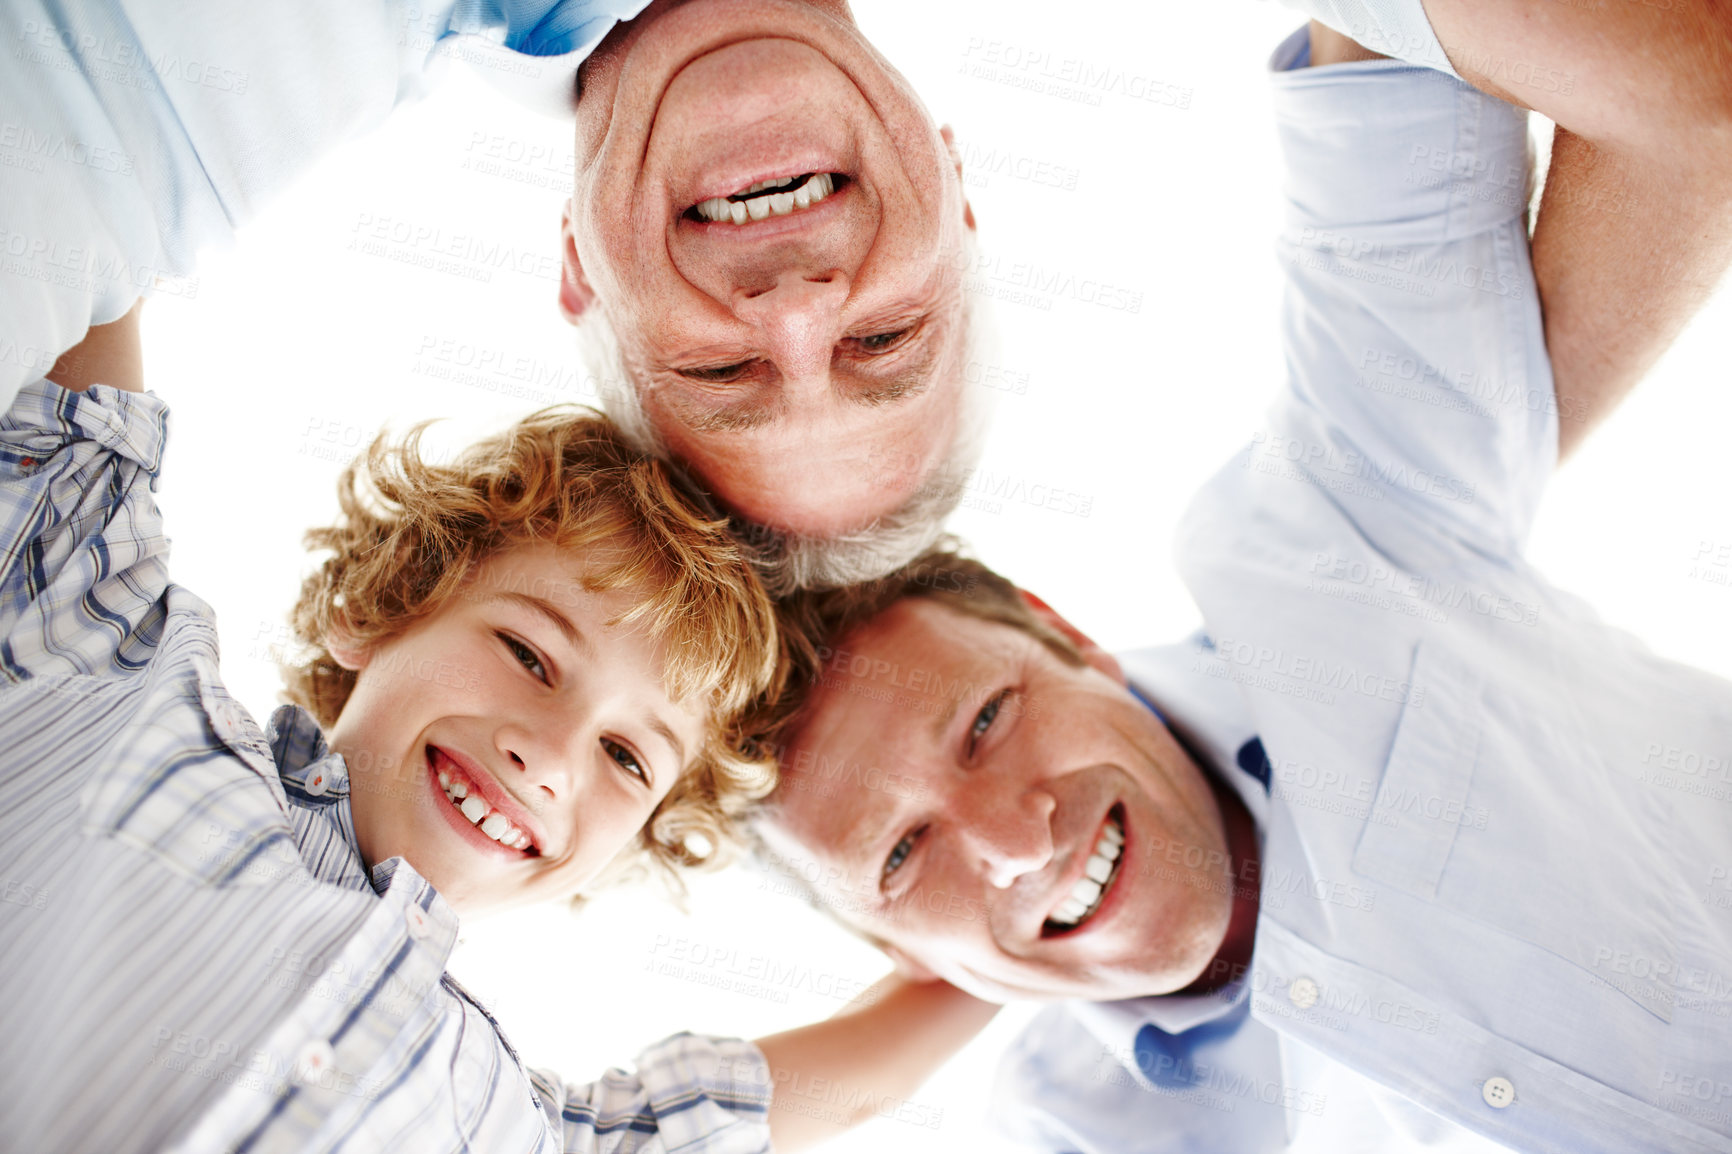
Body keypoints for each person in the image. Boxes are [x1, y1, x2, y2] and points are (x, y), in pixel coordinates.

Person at [748, 21, 1732, 1154]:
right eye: (903, 853)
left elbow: (1440, 51)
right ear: (899, 957)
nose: (1017, 840)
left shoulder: (1323, 550)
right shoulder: (1075, 1132)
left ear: (1066, 636)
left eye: (985, 723)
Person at [7, 1, 1730, 590]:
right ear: (962, 198)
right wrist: (1423, 519)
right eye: (885, 338)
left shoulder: (172, 131)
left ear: (570, 274)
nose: (797, 302)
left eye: (725, 371)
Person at [0, 303, 996, 1153]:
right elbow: (103, 240)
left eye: (623, 755)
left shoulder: (505, 1120)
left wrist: (1021, 932)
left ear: (616, 853)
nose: (552, 754)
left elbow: (826, 1090)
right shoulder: (121, 687)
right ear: (379, 608)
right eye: (528, 654)